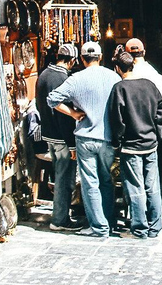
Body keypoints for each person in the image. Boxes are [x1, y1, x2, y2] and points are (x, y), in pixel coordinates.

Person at [47, 41, 120, 238]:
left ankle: (98, 226)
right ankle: (108, 220)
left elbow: (52, 99)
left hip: (85, 136)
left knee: (90, 182)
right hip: (106, 136)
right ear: (101, 57)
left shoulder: (76, 78)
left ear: (81, 59)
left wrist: (72, 113)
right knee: (106, 179)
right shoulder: (113, 77)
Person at [108, 50, 162, 239]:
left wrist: (117, 141)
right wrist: (157, 135)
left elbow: (117, 120)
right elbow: (159, 113)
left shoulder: (120, 88)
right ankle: (155, 226)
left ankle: (139, 228)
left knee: (135, 186)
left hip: (131, 145)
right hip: (150, 142)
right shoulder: (150, 85)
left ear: (118, 68)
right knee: (152, 185)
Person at [35, 43, 82, 231]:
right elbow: (65, 117)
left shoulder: (43, 74)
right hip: (62, 138)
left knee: (59, 175)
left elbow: (40, 106)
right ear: (72, 61)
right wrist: (71, 144)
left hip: (49, 135)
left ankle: (59, 213)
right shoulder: (63, 78)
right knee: (65, 179)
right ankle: (60, 219)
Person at [125, 38, 162, 114]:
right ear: (144, 52)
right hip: (148, 122)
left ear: (127, 55)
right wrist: (155, 115)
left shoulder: (127, 73)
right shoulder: (150, 71)